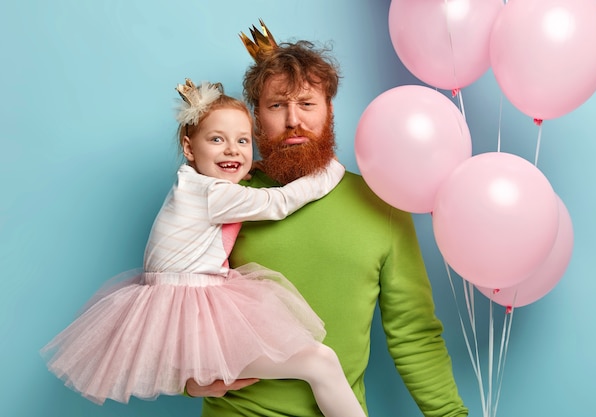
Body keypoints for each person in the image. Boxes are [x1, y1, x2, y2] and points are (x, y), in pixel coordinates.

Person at [185, 21, 469, 417]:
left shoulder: (381, 204)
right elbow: (177, 304)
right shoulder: (226, 200)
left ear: (329, 111)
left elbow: (414, 333)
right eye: (276, 105)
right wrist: (187, 379)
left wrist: (452, 415)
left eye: (306, 103)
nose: (293, 120)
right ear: (255, 118)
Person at [41, 78, 367, 417]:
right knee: (321, 361)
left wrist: (250, 168)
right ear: (188, 148)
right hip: (196, 317)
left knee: (317, 363)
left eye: (243, 141)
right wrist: (330, 172)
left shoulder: (193, 185)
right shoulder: (212, 194)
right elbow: (278, 202)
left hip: (184, 316)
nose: (232, 150)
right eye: (216, 140)